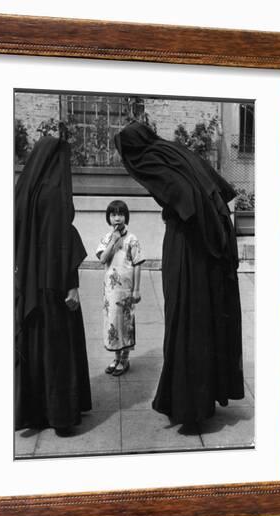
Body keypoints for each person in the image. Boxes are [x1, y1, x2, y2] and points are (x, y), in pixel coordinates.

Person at [114, 121, 244, 425]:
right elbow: (213, 191)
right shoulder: (174, 150)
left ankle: (189, 404)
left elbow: (186, 198)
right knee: (203, 315)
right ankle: (201, 398)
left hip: (188, 244)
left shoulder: (152, 158)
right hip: (209, 242)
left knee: (185, 316)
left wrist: (178, 215)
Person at [14, 134, 91, 434]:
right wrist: (71, 284)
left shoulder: (26, 190)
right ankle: (61, 415)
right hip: (55, 284)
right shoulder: (56, 192)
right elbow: (61, 240)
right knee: (58, 350)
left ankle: (36, 413)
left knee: (36, 348)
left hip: (32, 284)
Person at [96, 200, 145, 376]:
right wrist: (113, 241)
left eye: (121, 214)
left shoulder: (132, 239)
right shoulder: (106, 238)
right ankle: (116, 357)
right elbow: (103, 259)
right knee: (112, 322)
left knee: (125, 323)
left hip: (126, 290)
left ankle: (124, 358)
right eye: (113, 214)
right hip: (110, 291)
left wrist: (136, 289)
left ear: (126, 216)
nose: (117, 218)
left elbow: (138, 264)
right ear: (108, 217)